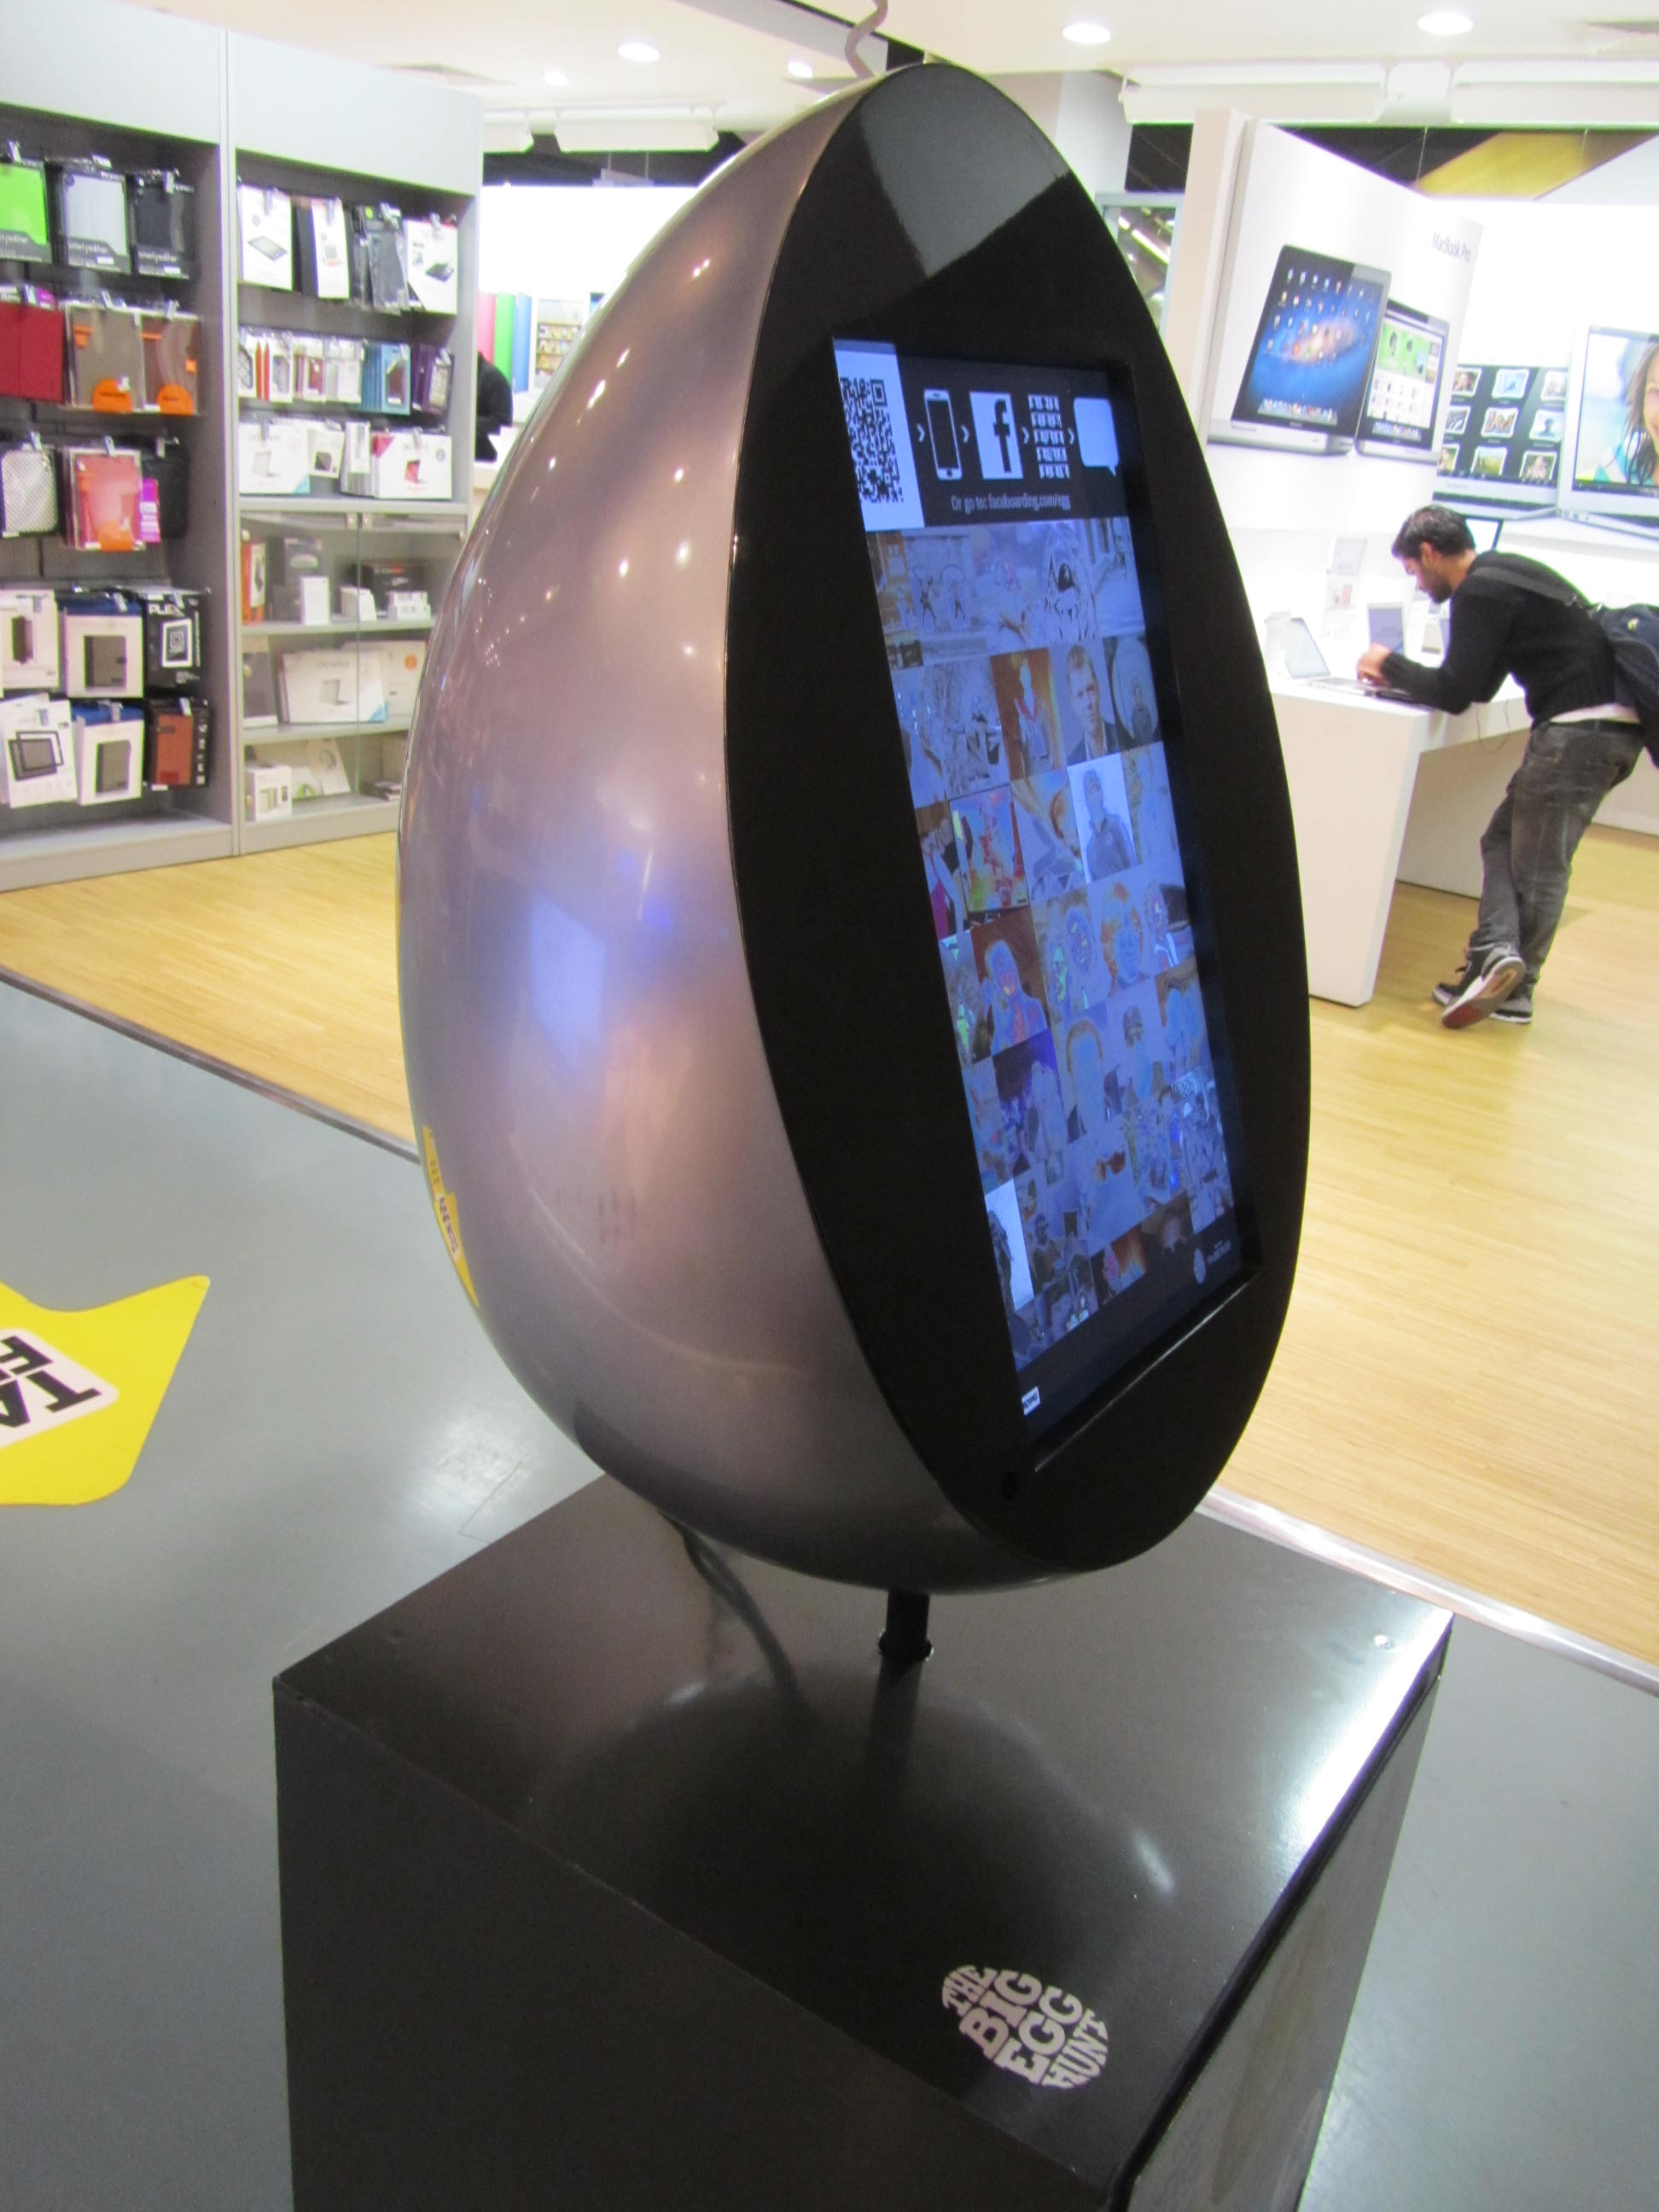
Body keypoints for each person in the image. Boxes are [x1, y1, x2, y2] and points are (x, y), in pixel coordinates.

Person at [1359, 506, 1644, 1028]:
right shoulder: (1505, 574)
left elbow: (1455, 691)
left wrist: (1388, 663)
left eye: (1414, 571)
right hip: (1608, 729)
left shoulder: (1479, 591)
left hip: (1580, 731)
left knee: (1541, 865)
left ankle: (1515, 989)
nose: (1418, 585)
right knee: (1502, 840)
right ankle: (1492, 957)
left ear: (1429, 553)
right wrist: (1405, 681)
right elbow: (1479, 687)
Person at [1081, 768, 1134, 881]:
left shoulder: (1116, 824)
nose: (1095, 795)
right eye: (1090, 792)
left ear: (1102, 794)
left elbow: (1132, 863)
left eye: (1097, 789)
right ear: (1086, 800)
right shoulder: (1089, 850)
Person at [475, 353, 512, 461]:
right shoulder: (470, 376)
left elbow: (502, 425)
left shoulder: (494, 379)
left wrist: (469, 423)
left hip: (485, 460)